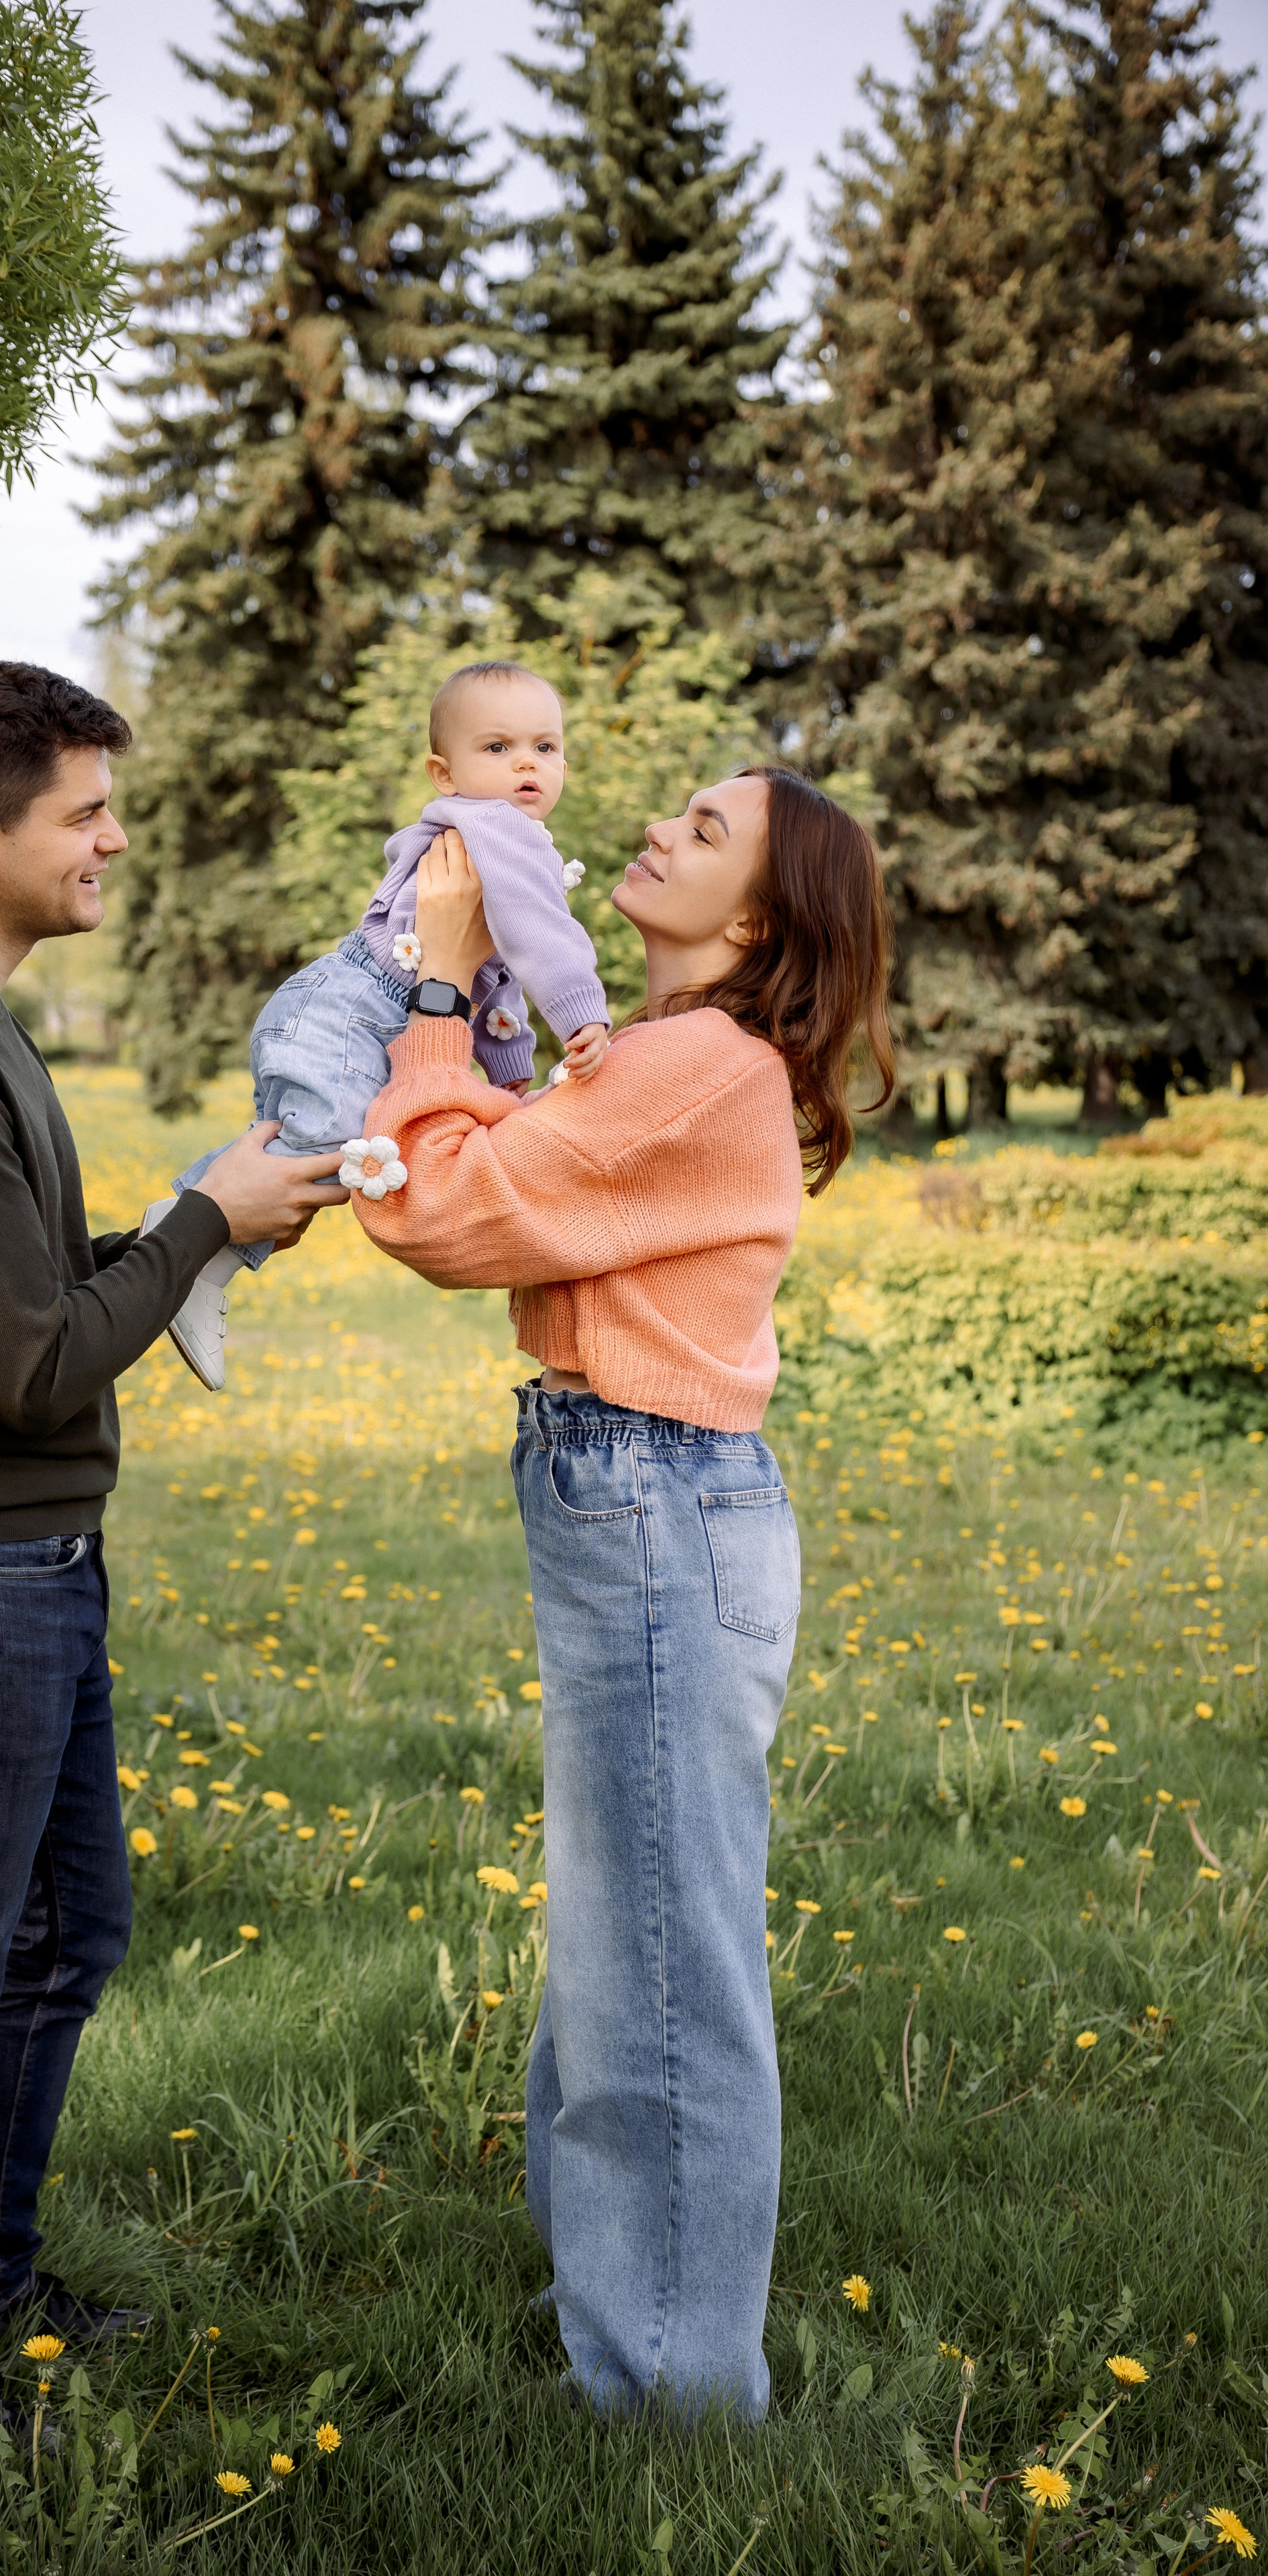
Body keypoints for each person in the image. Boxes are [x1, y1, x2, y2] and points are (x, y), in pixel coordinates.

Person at [0, 659, 346, 2429]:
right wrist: (197, 1225)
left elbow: (16, 1299)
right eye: (85, 812)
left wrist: (205, 1231)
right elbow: (33, 1366)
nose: (118, 839)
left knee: (62, 1937)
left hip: (25, 1567)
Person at [354, 767, 893, 2422]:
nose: (655, 825)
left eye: (704, 830)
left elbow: (439, 1206)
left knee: (658, 1948)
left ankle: (667, 2383)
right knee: (625, 1928)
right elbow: (506, 1166)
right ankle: (625, 2289)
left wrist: (438, 984)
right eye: (674, 805)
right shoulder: (652, 1059)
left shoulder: (692, 1061)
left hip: (655, 1498)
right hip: (642, 1491)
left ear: (754, 921)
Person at [149, 660, 612, 1391]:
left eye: (545, 747)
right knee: (330, 1158)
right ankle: (187, 1246)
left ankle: (178, 1244)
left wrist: (510, 1065)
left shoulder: (487, 832)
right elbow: (539, 936)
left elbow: (493, 974)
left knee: (299, 1166)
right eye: (497, 748)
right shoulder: (498, 829)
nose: (527, 762)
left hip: (340, 1009)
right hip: (353, 1012)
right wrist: (583, 1013)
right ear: (443, 771)